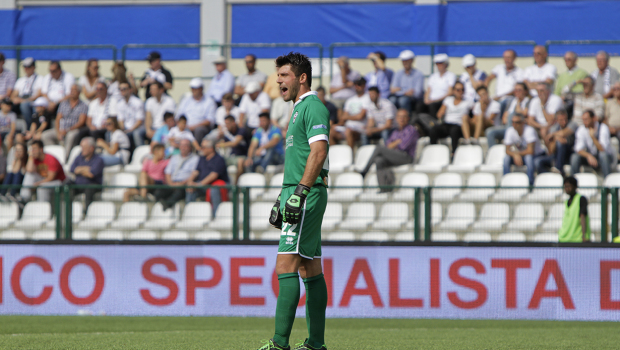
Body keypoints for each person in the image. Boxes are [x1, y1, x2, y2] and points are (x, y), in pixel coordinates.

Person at [256, 52, 329, 350]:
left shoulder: (312, 106)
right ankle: (315, 344)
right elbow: (301, 159)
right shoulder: (298, 108)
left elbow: (319, 151)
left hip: (306, 193)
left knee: (285, 264)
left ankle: (279, 344)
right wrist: (282, 196)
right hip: (298, 190)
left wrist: (299, 192)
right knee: (309, 268)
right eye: (277, 76)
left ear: (302, 77)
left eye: (284, 75)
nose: (278, 81)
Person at [359, 110, 418, 191]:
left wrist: (394, 144)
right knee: (379, 160)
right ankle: (384, 188)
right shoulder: (395, 132)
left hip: (406, 157)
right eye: (400, 117)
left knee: (379, 148)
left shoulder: (411, 130)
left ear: (408, 118)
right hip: (395, 156)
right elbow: (388, 145)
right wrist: (396, 142)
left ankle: (365, 171)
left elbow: (403, 146)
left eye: (404, 117)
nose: (402, 119)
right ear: (396, 119)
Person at [40, 84, 88, 158]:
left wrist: (67, 130)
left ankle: (65, 157)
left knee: (70, 136)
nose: (72, 92)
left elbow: (81, 122)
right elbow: (58, 119)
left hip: (73, 129)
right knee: (45, 135)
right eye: (71, 90)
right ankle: (53, 156)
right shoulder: (63, 104)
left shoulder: (83, 105)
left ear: (79, 92)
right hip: (61, 129)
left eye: (74, 90)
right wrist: (59, 132)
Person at [154, 139, 199, 211]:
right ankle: (161, 207)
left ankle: (167, 205)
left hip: (184, 184)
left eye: (186, 145)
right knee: (159, 192)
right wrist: (171, 184)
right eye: (181, 145)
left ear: (190, 147)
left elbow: (193, 174)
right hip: (172, 183)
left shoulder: (195, 159)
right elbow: (168, 173)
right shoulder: (174, 157)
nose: (183, 147)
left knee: (178, 193)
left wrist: (181, 183)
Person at [186, 139, 229, 213]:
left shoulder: (219, 159)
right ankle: (190, 214)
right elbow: (195, 172)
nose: (201, 149)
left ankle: (216, 215)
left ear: (211, 148)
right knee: (190, 190)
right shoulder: (202, 158)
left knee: (214, 190)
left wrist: (199, 184)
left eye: (203, 147)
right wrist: (190, 182)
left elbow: (213, 175)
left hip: (216, 186)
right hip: (203, 186)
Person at [429, 81, 472, 155]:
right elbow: (439, 114)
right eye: (458, 90)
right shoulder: (448, 100)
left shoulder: (468, 102)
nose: (460, 92)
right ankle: (433, 151)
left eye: (462, 89)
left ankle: (454, 153)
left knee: (454, 131)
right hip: (447, 124)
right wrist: (442, 113)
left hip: (459, 125)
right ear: (453, 91)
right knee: (433, 130)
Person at [503, 113, 546, 185]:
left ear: (523, 122)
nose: (514, 124)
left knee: (528, 158)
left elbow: (530, 151)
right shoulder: (510, 131)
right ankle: (505, 182)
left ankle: (530, 183)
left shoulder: (529, 131)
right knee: (506, 159)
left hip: (537, 155)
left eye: (517, 122)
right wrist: (515, 155)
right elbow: (507, 150)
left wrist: (516, 154)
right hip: (522, 155)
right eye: (512, 122)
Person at [486, 82, 531, 148]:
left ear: (525, 91)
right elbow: (504, 118)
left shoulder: (529, 101)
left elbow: (525, 114)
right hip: (509, 127)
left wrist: (517, 108)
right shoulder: (512, 101)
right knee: (490, 132)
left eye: (519, 90)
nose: (517, 92)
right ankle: (493, 152)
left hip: (521, 128)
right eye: (515, 90)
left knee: (512, 115)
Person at [571, 110, 614, 177]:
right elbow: (578, 149)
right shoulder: (581, 129)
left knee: (603, 155)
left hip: (606, 158)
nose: (584, 122)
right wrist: (588, 155)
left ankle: (607, 183)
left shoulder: (603, 128)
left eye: (586, 119)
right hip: (591, 157)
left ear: (593, 118)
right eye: (583, 120)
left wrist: (593, 137)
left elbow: (602, 149)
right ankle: (573, 181)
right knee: (574, 157)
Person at [331, 77, 369, 148]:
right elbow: (344, 117)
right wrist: (339, 123)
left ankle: (350, 156)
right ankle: (334, 155)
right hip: (348, 127)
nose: (357, 86)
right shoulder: (350, 100)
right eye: (355, 84)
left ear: (364, 85)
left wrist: (347, 117)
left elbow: (360, 116)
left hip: (360, 128)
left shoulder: (367, 98)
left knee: (348, 131)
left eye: (359, 84)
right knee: (331, 132)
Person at [485, 49, 524, 117]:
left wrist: (500, 97)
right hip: (497, 97)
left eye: (509, 57)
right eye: (505, 57)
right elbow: (489, 78)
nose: (506, 60)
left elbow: (516, 90)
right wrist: (485, 91)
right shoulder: (499, 68)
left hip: (510, 98)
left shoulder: (520, 72)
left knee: (504, 103)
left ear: (514, 58)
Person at [70, 137, 104, 214]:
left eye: (84, 147)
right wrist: (86, 169)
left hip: (92, 185)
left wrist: (79, 170)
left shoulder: (98, 159)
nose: (82, 149)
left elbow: (92, 174)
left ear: (91, 148)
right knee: (67, 184)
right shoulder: (79, 157)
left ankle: (87, 212)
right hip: (78, 185)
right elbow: (72, 169)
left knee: (89, 188)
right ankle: (65, 210)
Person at [176, 78, 217, 142]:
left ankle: (197, 150)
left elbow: (210, 120)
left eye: (196, 88)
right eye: (192, 88)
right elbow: (179, 115)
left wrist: (193, 127)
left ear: (201, 88)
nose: (194, 90)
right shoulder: (186, 100)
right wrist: (183, 125)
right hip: (185, 126)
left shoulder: (209, 101)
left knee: (199, 130)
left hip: (201, 127)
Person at [539, 110, 577, 175]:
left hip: (570, 152)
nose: (564, 122)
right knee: (538, 162)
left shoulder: (572, 124)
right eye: (561, 120)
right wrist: (556, 139)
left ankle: (559, 169)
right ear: (557, 120)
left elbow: (563, 134)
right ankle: (548, 178)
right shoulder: (554, 128)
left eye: (565, 119)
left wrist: (553, 136)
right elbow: (551, 150)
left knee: (560, 144)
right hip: (556, 155)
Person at [215, 115, 252, 184]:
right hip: (231, 156)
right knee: (218, 161)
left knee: (240, 162)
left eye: (228, 124)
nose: (226, 126)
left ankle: (236, 186)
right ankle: (224, 183)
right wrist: (219, 139)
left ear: (234, 123)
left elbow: (235, 143)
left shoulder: (241, 130)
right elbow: (223, 143)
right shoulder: (227, 134)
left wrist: (221, 145)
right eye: (225, 124)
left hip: (243, 156)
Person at [389, 50, 424, 114]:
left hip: (412, 99)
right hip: (400, 97)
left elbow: (417, 93)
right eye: (403, 61)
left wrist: (400, 90)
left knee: (403, 100)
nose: (404, 63)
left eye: (407, 60)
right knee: (392, 100)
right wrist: (405, 92)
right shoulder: (398, 73)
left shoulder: (418, 74)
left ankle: (407, 121)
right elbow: (393, 90)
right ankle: (393, 120)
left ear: (412, 61)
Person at [422, 53, 456, 118]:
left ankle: (434, 124)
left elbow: (450, 92)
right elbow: (428, 90)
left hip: (442, 100)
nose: (439, 65)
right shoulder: (433, 76)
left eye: (440, 63)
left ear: (446, 64)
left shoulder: (451, 76)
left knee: (433, 106)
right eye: (437, 63)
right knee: (420, 105)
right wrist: (426, 99)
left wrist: (434, 100)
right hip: (431, 100)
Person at [11, 57, 42, 127]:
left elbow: (39, 94)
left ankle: (30, 127)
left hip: (32, 100)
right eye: (25, 67)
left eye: (28, 67)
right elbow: (14, 94)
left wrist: (24, 100)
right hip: (22, 99)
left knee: (25, 105)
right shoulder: (21, 80)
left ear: (33, 67)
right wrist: (14, 99)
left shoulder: (40, 79)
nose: (26, 69)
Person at [112, 81, 145, 147]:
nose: (122, 91)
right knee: (113, 132)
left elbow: (139, 121)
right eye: (120, 89)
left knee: (136, 133)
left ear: (130, 90)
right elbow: (120, 120)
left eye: (124, 89)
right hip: (126, 128)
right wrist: (123, 129)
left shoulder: (138, 102)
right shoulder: (119, 104)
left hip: (137, 128)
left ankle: (139, 153)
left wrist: (129, 130)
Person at [559, 176, 590, 243]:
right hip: (564, 238)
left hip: (577, 240)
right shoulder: (567, 202)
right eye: (565, 186)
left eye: (569, 186)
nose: (567, 188)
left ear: (575, 187)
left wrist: (584, 236)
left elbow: (582, 216)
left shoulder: (581, 199)